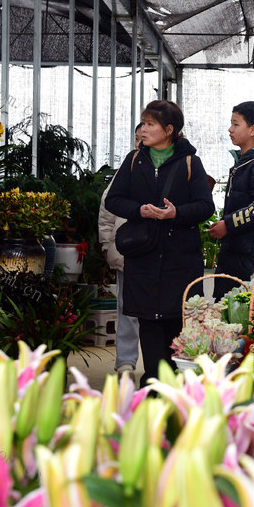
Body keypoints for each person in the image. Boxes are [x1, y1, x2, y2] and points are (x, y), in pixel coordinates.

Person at [104, 101, 214, 384]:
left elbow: (205, 207)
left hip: (180, 259)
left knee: (176, 320)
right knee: (148, 321)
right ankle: (154, 382)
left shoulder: (191, 162)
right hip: (143, 257)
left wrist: (175, 213)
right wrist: (139, 210)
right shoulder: (134, 160)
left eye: (150, 124)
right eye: (142, 123)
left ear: (169, 130)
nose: (143, 129)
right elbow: (114, 200)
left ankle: (175, 383)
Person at [209, 101, 254, 298]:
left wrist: (228, 224)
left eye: (235, 124)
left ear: (253, 129)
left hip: (251, 260)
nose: (229, 129)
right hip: (239, 256)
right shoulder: (245, 164)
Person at [98, 123, 144, 383]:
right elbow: (106, 212)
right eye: (137, 139)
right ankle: (125, 363)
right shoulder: (125, 171)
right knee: (126, 309)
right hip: (126, 252)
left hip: (157, 255)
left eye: (145, 136)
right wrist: (106, 245)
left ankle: (160, 363)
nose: (140, 143)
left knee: (156, 312)